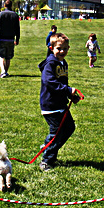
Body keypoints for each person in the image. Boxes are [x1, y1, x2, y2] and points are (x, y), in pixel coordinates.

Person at [38, 33, 82, 171]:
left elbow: (62, 83)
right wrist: (68, 90)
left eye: (65, 48)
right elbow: (49, 82)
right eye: (58, 48)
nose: (62, 51)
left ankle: (49, 146)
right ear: (51, 48)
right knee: (57, 133)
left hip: (61, 104)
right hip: (50, 105)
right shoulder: (51, 63)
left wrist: (70, 96)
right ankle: (46, 160)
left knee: (69, 128)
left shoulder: (63, 63)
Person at [0, 0, 20, 78]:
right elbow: (17, 28)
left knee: (1, 56)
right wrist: (17, 39)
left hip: (2, 38)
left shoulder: (1, 14)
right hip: (11, 38)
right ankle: (5, 72)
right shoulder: (15, 15)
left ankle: (3, 71)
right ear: (11, 6)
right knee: (8, 57)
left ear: (4, 5)